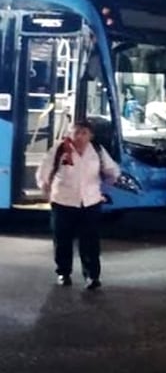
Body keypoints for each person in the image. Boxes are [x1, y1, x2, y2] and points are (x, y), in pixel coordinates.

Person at [36, 119, 121, 290]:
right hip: (63, 201)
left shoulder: (97, 150)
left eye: (84, 133)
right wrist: (45, 190)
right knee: (62, 239)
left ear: (91, 135)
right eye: (76, 132)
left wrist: (106, 187)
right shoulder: (60, 149)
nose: (79, 136)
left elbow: (112, 171)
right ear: (70, 133)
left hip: (90, 202)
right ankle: (63, 272)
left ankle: (92, 276)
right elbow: (43, 172)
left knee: (90, 241)